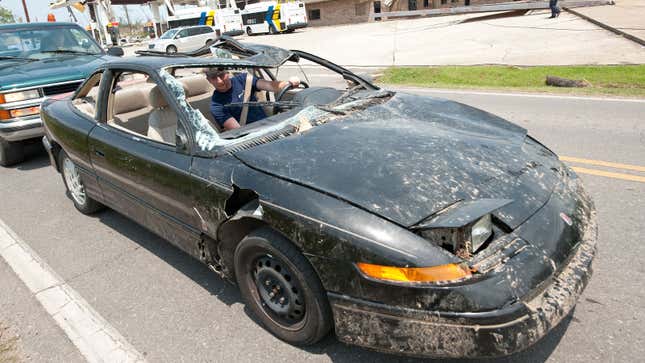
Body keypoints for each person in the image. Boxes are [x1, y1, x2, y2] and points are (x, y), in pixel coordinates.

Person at [206, 68, 300, 131]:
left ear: (227, 72)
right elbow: (240, 132)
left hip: (271, 125)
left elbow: (270, 85)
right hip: (255, 137)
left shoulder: (243, 79)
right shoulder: (216, 106)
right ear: (209, 80)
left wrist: (288, 83)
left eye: (221, 75)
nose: (220, 81)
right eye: (214, 78)